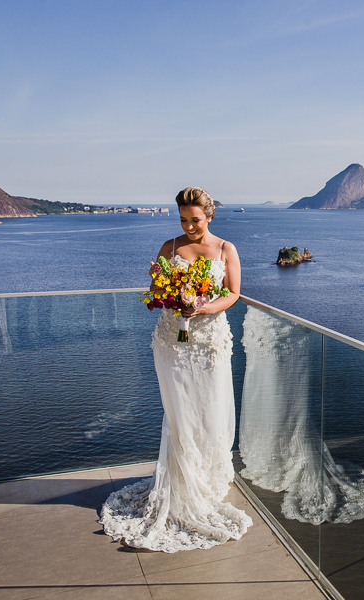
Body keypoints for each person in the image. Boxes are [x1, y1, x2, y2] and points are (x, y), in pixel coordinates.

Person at [99, 187, 252, 552]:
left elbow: (232, 293)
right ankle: (182, 482)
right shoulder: (169, 248)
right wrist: (172, 294)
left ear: (209, 216)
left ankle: (209, 480)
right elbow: (154, 288)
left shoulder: (225, 249)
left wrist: (202, 307)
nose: (189, 226)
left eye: (195, 220)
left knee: (211, 408)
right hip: (172, 342)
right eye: (183, 220)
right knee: (180, 412)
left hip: (210, 341)